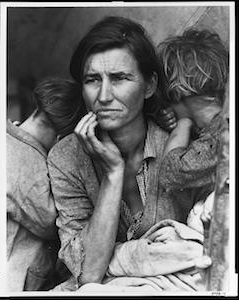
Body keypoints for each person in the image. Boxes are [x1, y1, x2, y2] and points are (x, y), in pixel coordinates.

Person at [47, 16, 213, 292]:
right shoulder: (66, 158)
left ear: (149, 85)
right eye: (92, 80)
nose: (103, 95)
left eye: (119, 78)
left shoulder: (183, 149)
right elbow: (88, 273)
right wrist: (113, 174)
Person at [7, 77, 86, 291]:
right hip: (11, 277)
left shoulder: (7, 136)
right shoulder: (26, 160)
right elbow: (52, 222)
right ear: (62, 138)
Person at [156, 28, 229, 193]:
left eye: (167, 102)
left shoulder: (219, 138)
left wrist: (182, 124)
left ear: (176, 93)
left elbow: (169, 174)